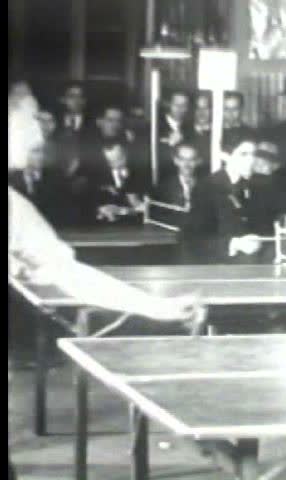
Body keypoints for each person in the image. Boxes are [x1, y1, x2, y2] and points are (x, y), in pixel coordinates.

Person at [8, 88, 202, 480]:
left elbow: (69, 273)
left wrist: (159, 307)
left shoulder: (14, 207)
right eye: (31, 118)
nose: (39, 134)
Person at [181, 140, 286, 263]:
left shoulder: (262, 183)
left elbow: (282, 211)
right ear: (225, 156)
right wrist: (234, 244)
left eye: (253, 154)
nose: (251, 160)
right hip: (220, 268)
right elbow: (190, 238)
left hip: (259, 265)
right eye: (244, 154)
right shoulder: (206, 187)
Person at [89, 142, 145, 224]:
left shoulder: (139, 174)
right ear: (108, 163)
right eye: (112, 161)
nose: (119, 163)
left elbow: (143, 207)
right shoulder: (100, 180)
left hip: (136, 225)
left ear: (126, 154)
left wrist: (123, 211)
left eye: (121, 158)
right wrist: (101, 210)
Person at [153, 142, 202, 209]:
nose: (187, 164)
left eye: (191, 159)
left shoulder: (205, 187)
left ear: (198, 161)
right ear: (176, 161)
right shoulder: (164, 188)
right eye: (182, 159)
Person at [158, 91, 193, 181]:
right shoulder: (156, 127)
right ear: (168, 104)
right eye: (176, 105)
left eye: (184, 105)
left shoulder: (190, 129)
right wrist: (169, 146)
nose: (180, 109)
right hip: (162, 179)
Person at [189, 92, 212, 175]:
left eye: (205, 108)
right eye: (198, 108)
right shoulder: (185, 132)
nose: (201, 112)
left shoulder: (219, 133)